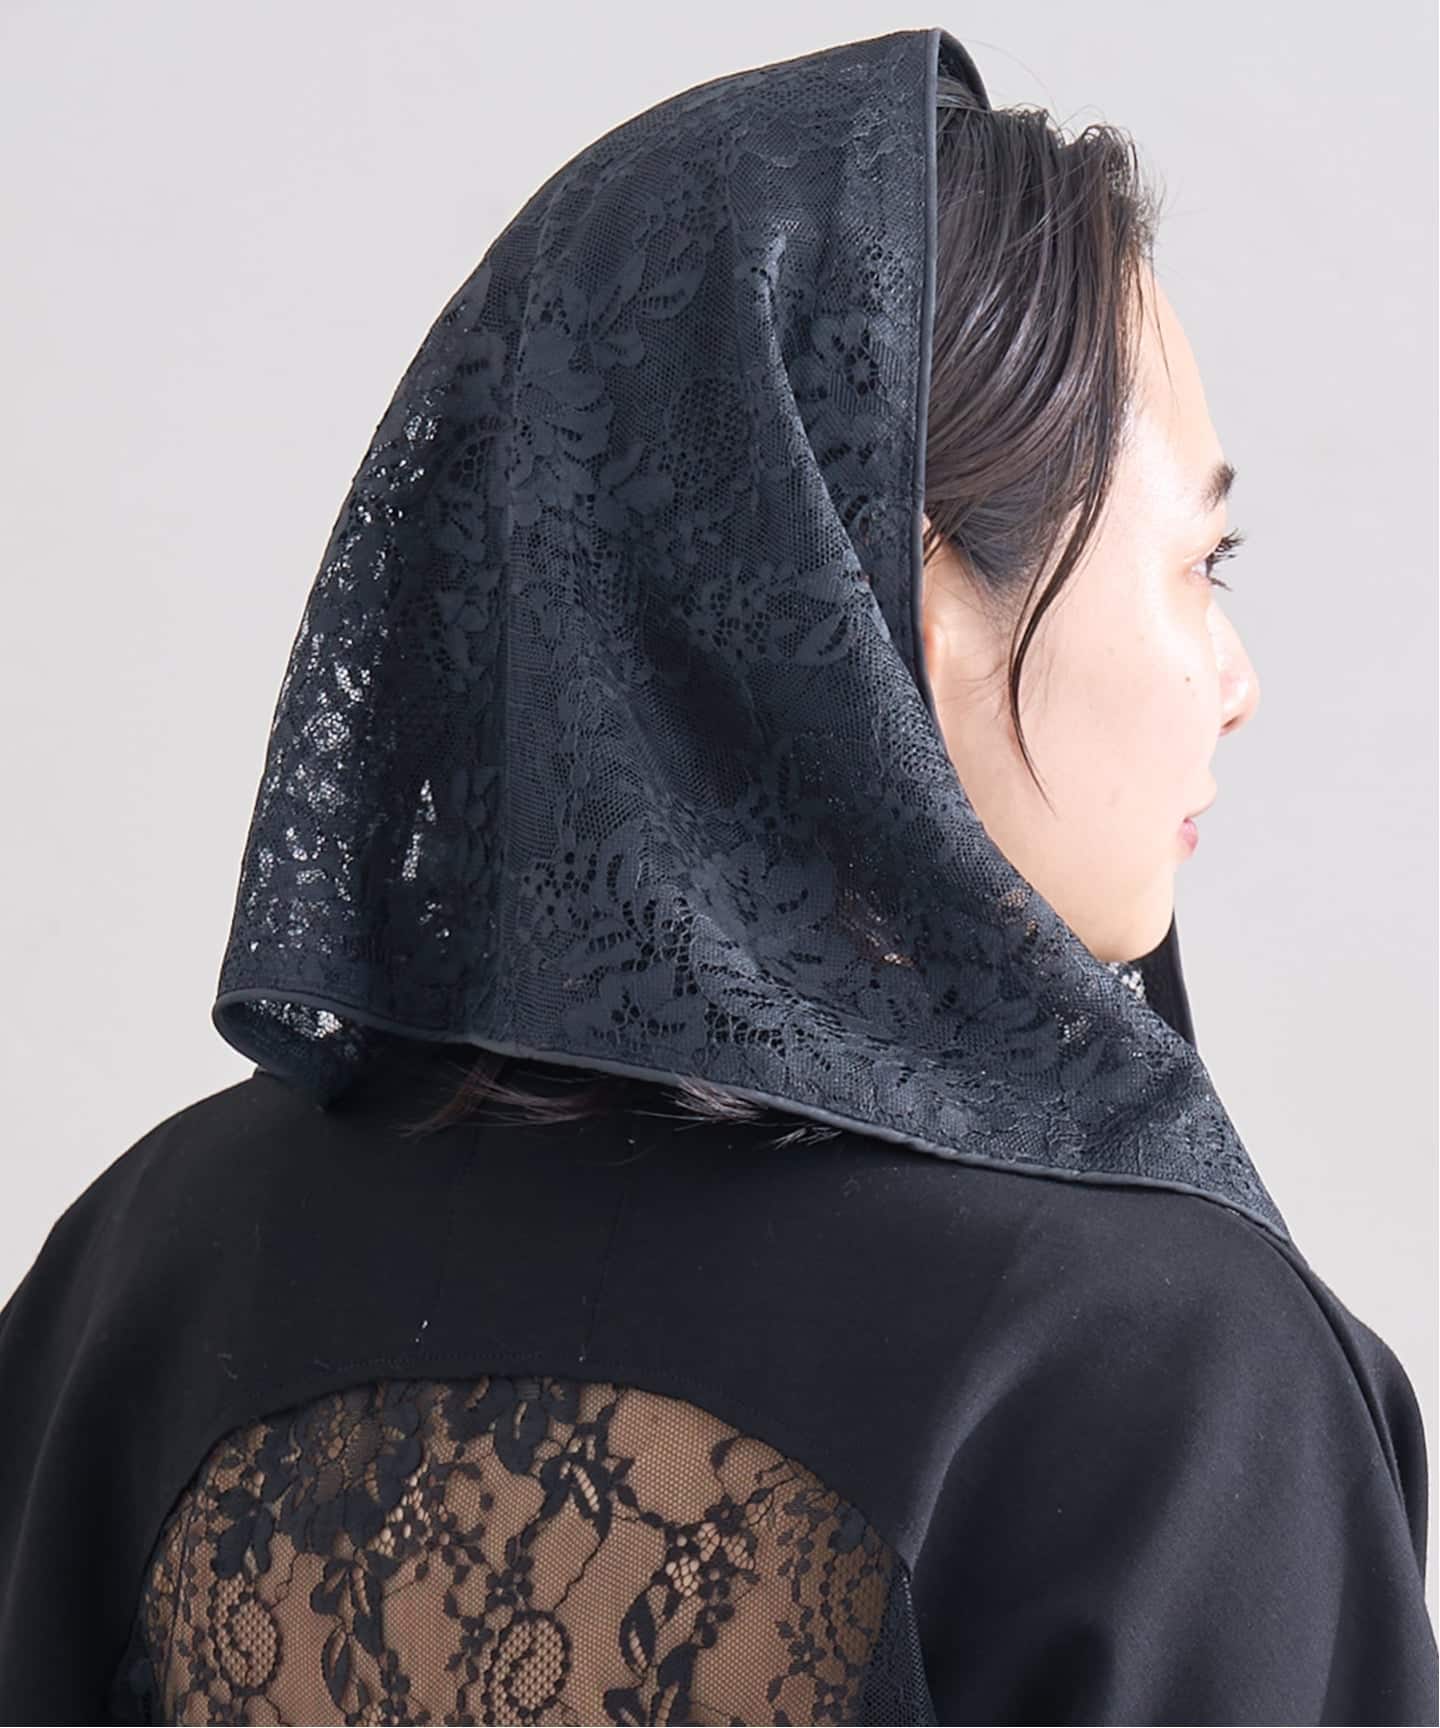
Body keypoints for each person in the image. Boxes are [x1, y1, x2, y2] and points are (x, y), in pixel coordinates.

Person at [0, 26, 1434, 1726]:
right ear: (893, 597)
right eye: (1203, 559)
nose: (1237, 679)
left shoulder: (149, 1272)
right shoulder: (1161, 1372)